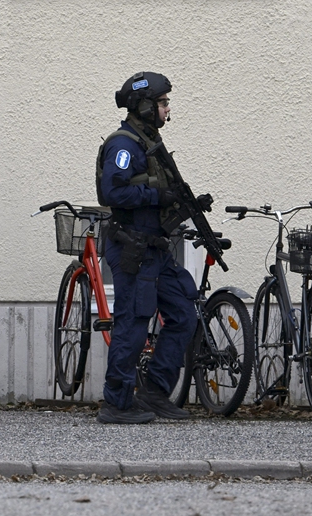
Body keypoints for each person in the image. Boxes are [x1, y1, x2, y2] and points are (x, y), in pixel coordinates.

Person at [95, 72, 202, 424]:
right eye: (162, 103)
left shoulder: (148, 142)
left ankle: (154, 391)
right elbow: (112, 193)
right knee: (133, 323)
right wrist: (158, 195)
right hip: (134, 248)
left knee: (184, 312)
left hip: (156, 249)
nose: (167, 110)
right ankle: (117, 402)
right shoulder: (124, 145)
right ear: (143, 106)